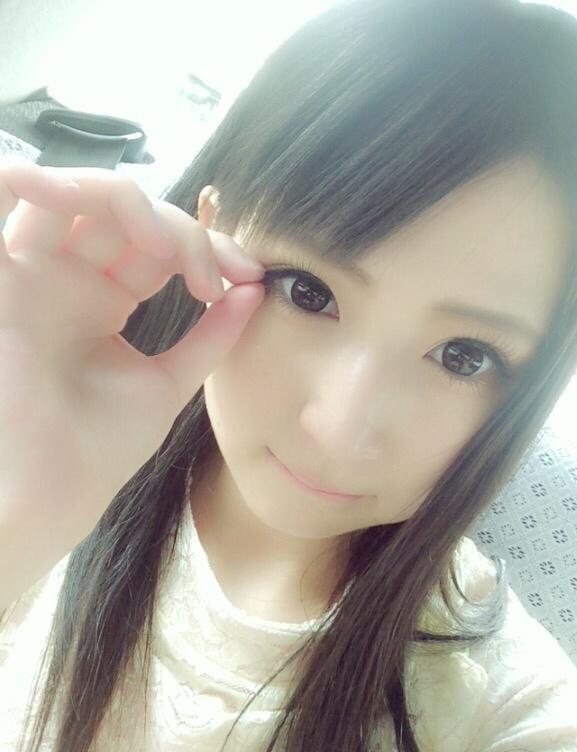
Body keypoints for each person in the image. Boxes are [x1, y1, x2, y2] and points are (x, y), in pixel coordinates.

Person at [1, 0, 577, 750]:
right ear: (210, 225)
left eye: (464, 356)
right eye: (307, 291)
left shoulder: (505, 707)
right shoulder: (42, 435)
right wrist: (17, 519)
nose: (339, 429)